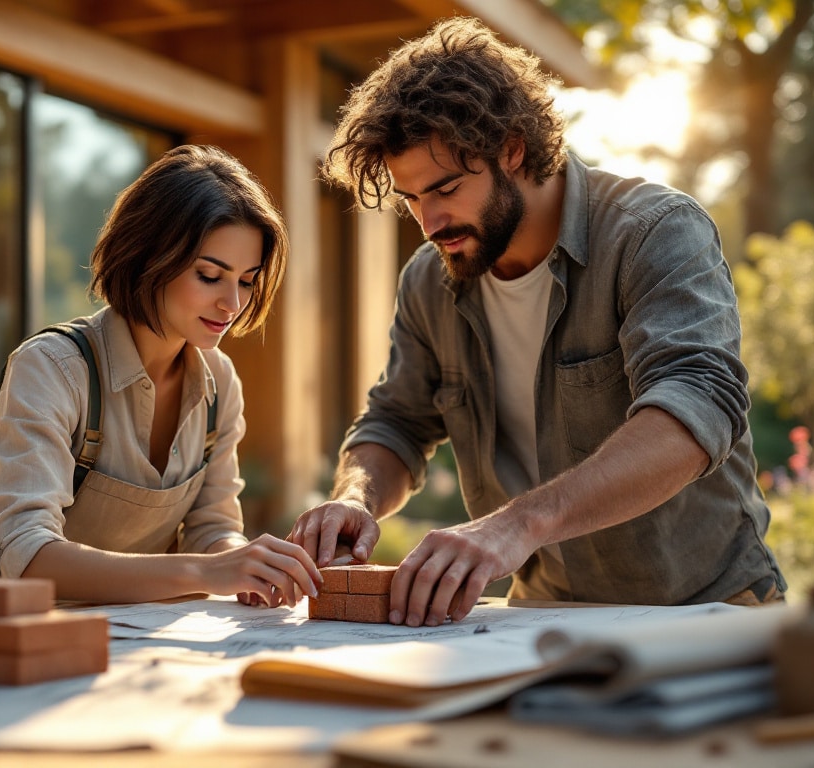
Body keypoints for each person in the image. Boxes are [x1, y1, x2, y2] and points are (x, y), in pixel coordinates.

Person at [288, 17, 785, 627]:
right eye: (412, 198)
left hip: (706, 610)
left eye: (444, 188)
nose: (429, 221)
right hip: (539, 616)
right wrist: (354, 498)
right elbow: (397, 421)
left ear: (513, 149)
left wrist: (515, 525)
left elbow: (695, 409)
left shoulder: (654, 233)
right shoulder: (427, 279)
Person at [0, 145, 320, 618]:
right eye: (210, 276)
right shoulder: (53, 368)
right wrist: (208, 573)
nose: (233, 303)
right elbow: (22, 552)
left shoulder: (219, 383)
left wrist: (248, 564)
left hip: (111, 639)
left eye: (247, 281)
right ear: (149, 258)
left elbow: (211, 527)